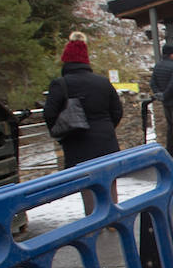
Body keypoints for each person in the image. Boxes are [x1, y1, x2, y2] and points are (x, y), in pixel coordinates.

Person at [43, 31, 122, 170]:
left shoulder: (61, 84)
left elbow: (49, 113)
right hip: (106, 140)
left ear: (66, 61)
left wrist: (62, 133)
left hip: (76, 141)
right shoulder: (103, 82)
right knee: (109, 180)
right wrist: (106, 126)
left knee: (86, 182)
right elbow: (117, 111)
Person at [150, 43, 173, 156]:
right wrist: (166, 94)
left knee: (170, 124)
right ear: (171, 54)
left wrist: (159, 94)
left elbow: (153, 82)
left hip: (166, 101)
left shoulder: (158, 66)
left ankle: (169, 148)